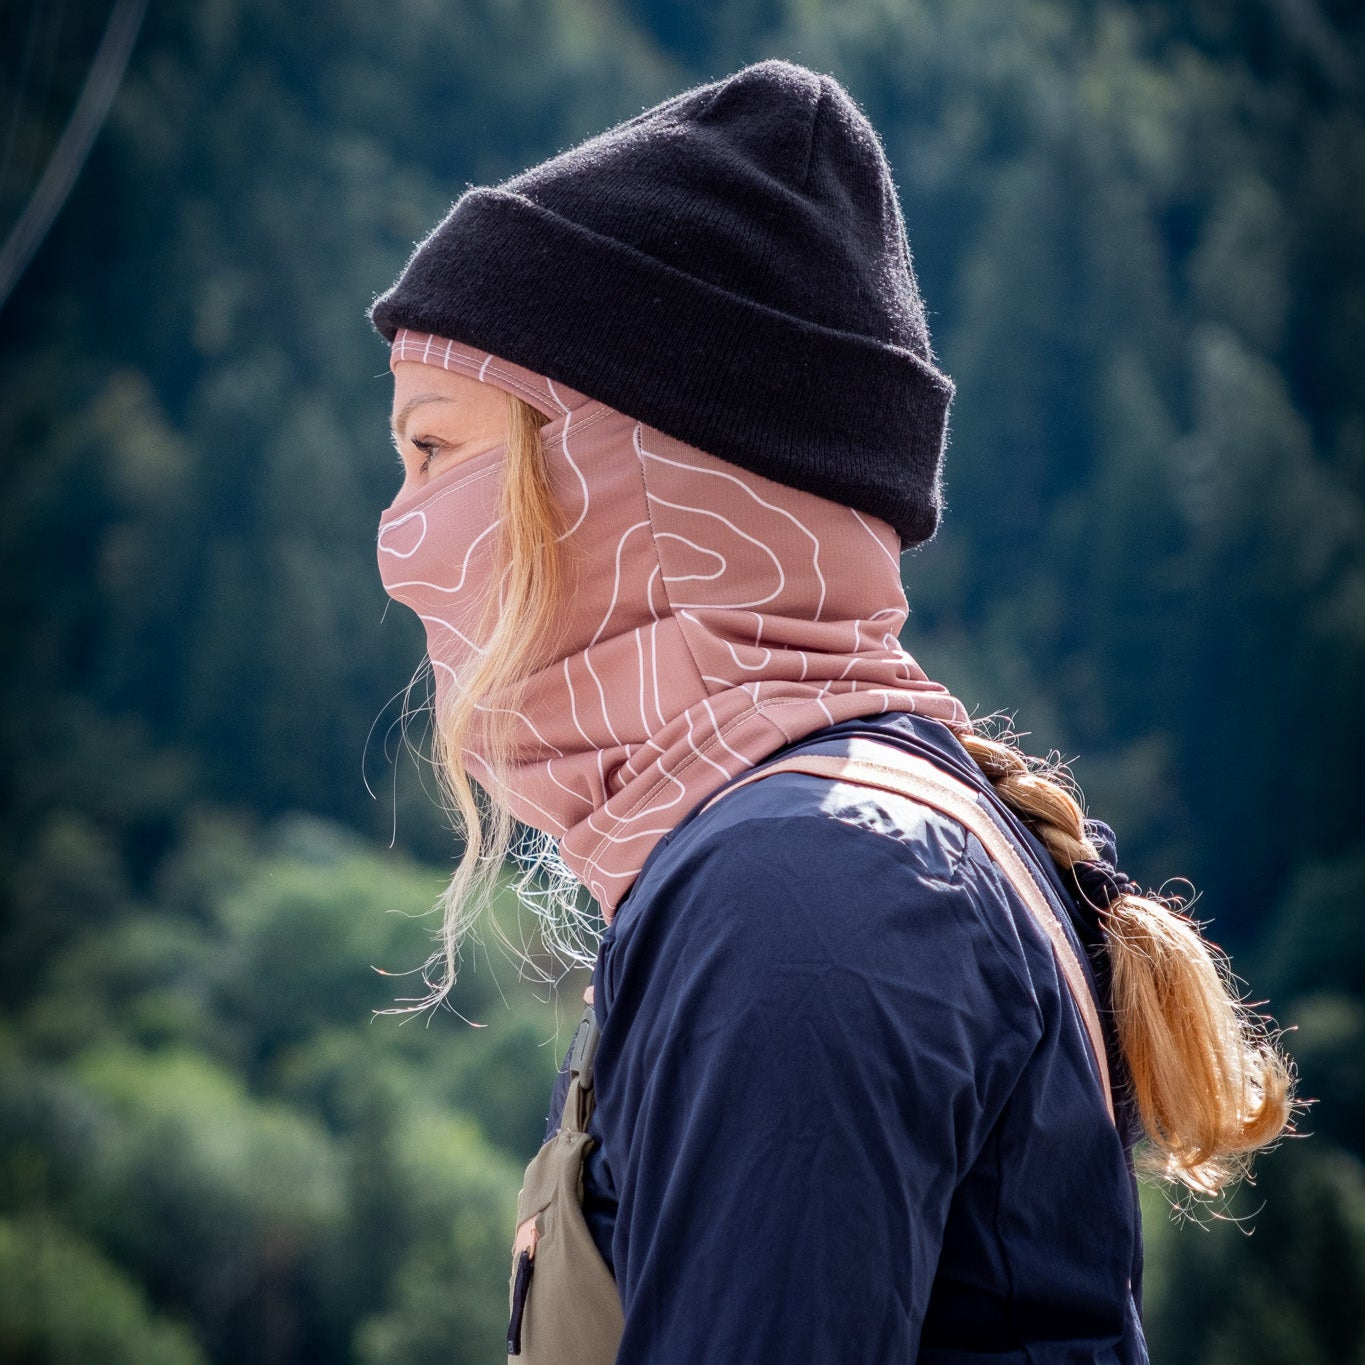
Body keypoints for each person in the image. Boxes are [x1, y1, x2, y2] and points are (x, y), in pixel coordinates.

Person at [368, 59, 1292, 1365]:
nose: (396, 544)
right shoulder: (821, 849)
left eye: (433, 449)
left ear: (631, 481)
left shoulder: (801, 886)